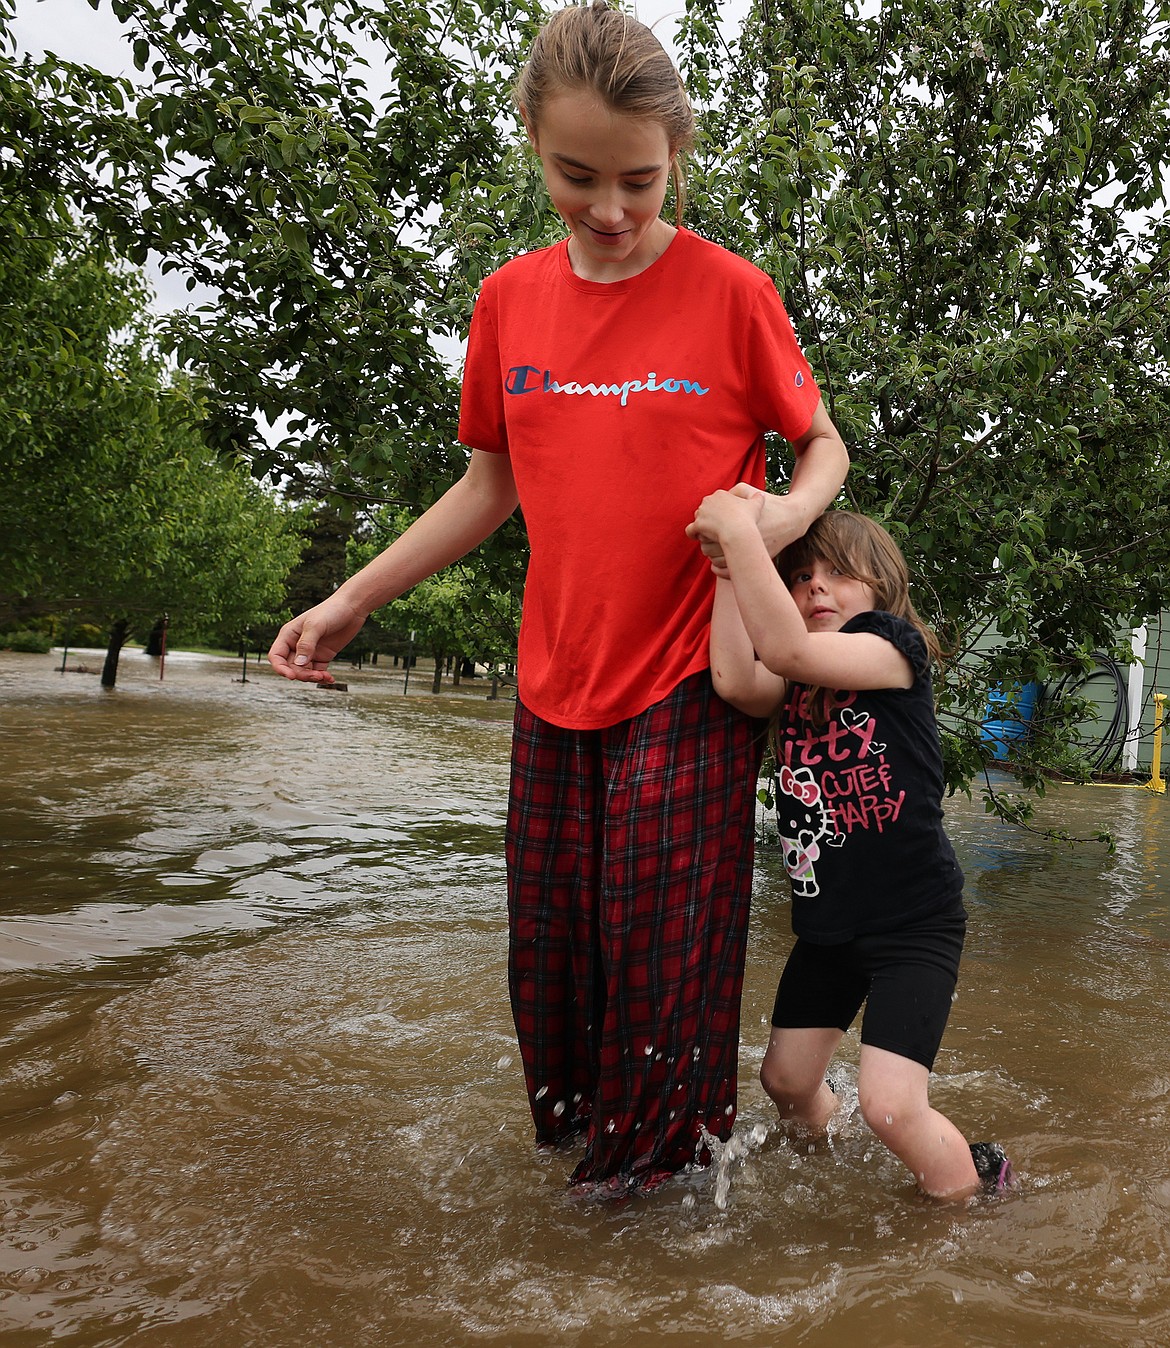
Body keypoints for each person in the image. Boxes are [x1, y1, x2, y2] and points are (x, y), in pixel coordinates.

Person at [268, 1, 849, 1195]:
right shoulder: (508, 303)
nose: (613, 209)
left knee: (660, 961)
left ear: (677, 152)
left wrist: (775, 519)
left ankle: (651, 1218)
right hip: (555, 683)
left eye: (640, 178)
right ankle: (585, 1180)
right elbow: (489, 483)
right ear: (533, 139)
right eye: (576, 175)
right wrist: (350, 600)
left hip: (692, 674)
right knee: (553, 966)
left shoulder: (734, 291)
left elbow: (822, 447)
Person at [686, 501, 1012, 1198]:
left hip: (912, 925)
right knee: (786, 1083)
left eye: (837, 572)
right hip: (829, 929)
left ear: (882, 587)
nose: (814, 588)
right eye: (800, 576)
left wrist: (744, 535)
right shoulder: (799, 677)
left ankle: (973, 1197)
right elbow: (738, 681)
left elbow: (785, 649)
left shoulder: (892, 649)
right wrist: (723, 574)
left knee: (891, 1107)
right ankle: (829, 1182)